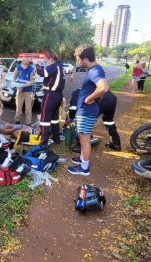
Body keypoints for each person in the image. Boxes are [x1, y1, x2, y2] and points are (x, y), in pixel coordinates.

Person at [67, 44, 108, 176]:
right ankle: (82, 158)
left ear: (85, 59)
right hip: (85, 111)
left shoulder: (95, 70)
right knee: (82, 136)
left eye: (78, 59)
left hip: (86, 111)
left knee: (84, 140)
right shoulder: (93, 70)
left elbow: (103, 88)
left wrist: (89, 98)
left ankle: (84, 168)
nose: (78, 62)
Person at [35, 49, 65, 145]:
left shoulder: (53, 67)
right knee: (54, 118)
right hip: (59, 95)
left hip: (50, 94)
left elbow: (43, 73)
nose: (46, 63)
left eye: (46, 61)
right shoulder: (60, 66)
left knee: (45, 118)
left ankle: (44, 141)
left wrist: (37, 65)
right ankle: (56, 138)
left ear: (51, 58)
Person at [13, 58, 35, 125]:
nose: (23, 66)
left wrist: (24, 85)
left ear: (28, 64)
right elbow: (14, 76)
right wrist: (15, 83)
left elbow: (32, 81)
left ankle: (28, 122)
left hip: (28, 90)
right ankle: (17, 120)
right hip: (20, 89)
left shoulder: (31, 70)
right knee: (18, 106)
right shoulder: (18, 68)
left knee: (28, 107)